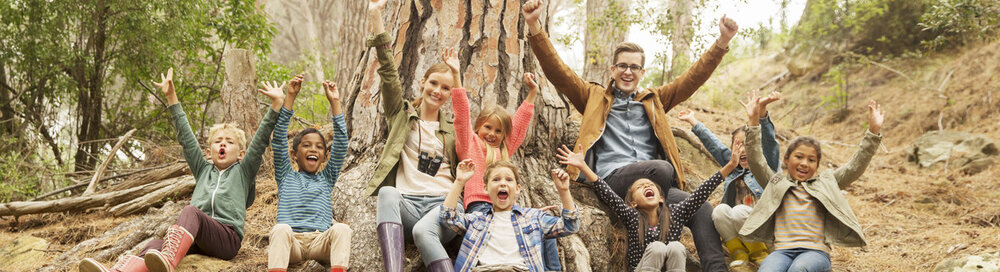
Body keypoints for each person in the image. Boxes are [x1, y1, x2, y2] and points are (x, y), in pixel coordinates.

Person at [521, 0, 739, 269]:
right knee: (662, 168)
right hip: (616, 180)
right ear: (612, 70)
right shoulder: (593, 96)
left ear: (642, 72)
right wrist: (534, 25)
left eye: (634, 67)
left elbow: (692, 79)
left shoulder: (655, 100)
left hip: (655, 188)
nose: (627, 71)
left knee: (702, 208)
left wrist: (722, 41)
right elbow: (559, 72)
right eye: (622, 66)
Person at [79, 68, 282, 272]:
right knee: (154, 245)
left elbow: (260, 140)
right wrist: (171, 97)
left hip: (226, 239)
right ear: (208, 152)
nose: (223, 144)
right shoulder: (203, 169)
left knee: (190, 212)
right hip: (199, 240)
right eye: (218, 141)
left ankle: (169, 261)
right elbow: (186, 137)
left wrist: (276, 106)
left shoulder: (244, 171)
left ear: (241, 154)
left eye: (229, 142)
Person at [366, 0, 463, 271]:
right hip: (407, 204)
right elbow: (388, 73)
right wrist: (376, 17)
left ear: (450, 94)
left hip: (445, 206)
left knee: (423, 231)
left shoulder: (453, 129)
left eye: (446, 88)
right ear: (423, 82)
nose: (437, 91)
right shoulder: (401, 114)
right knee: (387, 192)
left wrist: (457, 76)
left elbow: (464, 111)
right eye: (433, 83)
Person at [739, 95, 885, 271]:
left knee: (798, 269)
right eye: (799, 157)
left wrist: (873, 132)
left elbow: (855, 167)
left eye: (811, 160)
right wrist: (753, 122)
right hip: (782, 252)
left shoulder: (827, 182)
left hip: (815, 252)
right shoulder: (776, 182)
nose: (804, 163)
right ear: (787, 159)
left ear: (817, 165)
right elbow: (756, 159)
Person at [557, 143, 738, 272]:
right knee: (657, 247)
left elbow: (702, 192)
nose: (646, 186)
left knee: (676, 247)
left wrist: (730, 166)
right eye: (640, 187)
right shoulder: (632, 217)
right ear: (633, 203)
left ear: (661, 198)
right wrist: (583, 166)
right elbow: (605, 190)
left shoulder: (675, 214)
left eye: (650, 185)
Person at [677, 90, 781, 270]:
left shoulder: (767, 166)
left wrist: (762, 112)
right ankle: (739, 252)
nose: (742, 150)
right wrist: (693, 120)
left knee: (739, 211)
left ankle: (759, 253)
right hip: (742, 230)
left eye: (747, 144)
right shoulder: (734, 166)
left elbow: (769, 142)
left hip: (767, 233)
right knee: (720, 211)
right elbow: (714, 145)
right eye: (737, 145)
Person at [267, 74, 352, 272]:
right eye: (306, 145)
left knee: (342, 229)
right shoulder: (286, 175)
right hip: (292, 243)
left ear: (324, 156)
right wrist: (290, 97)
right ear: (294, 154)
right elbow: (279, 140)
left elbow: (341, 144)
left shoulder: (326, 178)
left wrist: (335, 102)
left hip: (319, 241)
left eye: (319, 147)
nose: (313, 149)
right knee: (280, 229)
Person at [440, 160, 579, 272]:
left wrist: (564, 191)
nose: (502, 183)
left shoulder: (533, 217)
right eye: (496, 179)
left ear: (517, 189)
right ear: (486, 189)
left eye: (509, 179)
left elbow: (569, 225)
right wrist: (459, 181)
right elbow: (447, 217)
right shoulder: (477, 219)